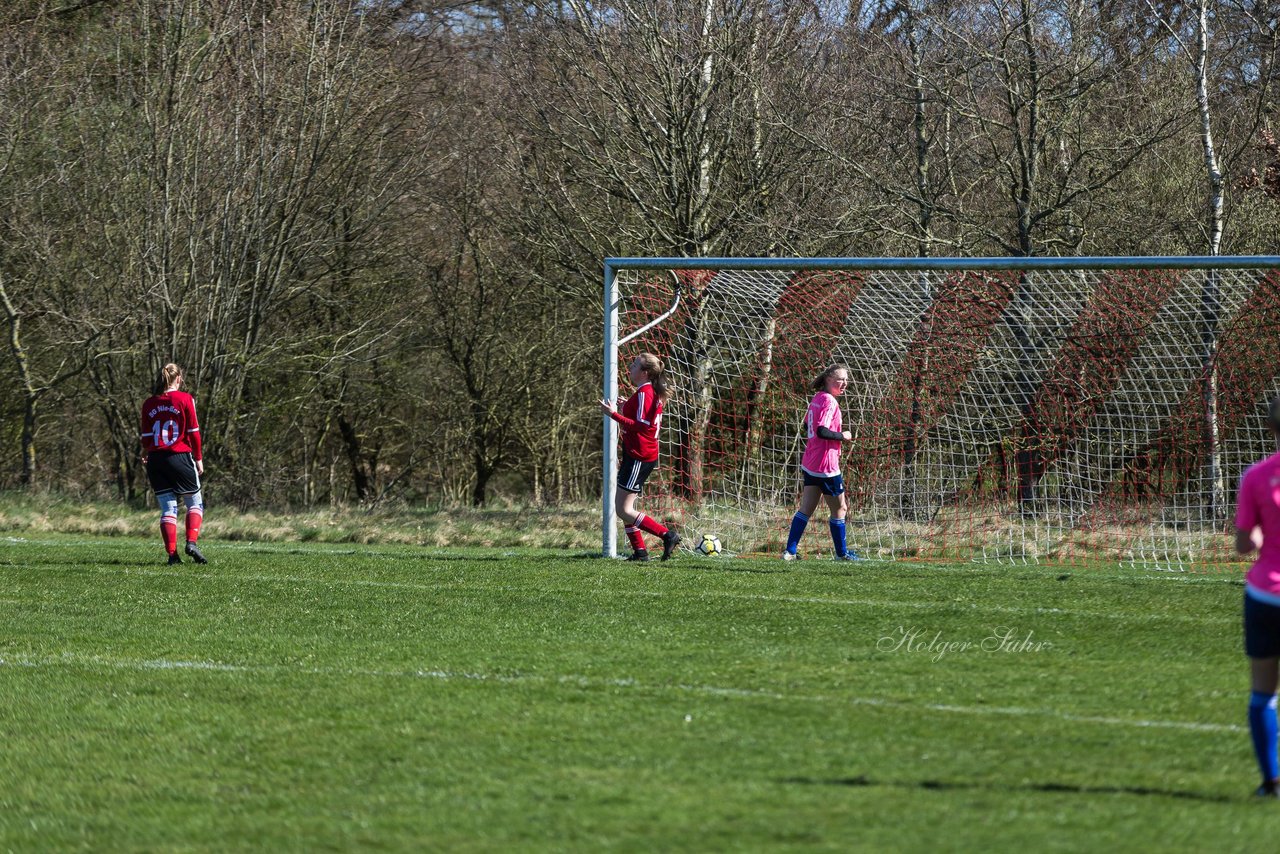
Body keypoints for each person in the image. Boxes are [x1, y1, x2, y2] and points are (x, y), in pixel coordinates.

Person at [1235, 395, 1280, 797]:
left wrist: (1261, 535)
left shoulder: (1256, 476)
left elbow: (1244, 544)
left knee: (1264, 692)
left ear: (1270, 427)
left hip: (1266, 596)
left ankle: (1272, 781)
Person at [599, 352, 680, 562]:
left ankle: (667, 535)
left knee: (624, 509)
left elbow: (643, 426)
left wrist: (613, 414)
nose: (630, 367)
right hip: (635, 454)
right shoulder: (645, 391)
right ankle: (640, 552)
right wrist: (627, 405)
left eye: (635, 365)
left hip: (640, 456)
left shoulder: (646, 392)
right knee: (623, 507)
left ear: (644, 372)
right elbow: (641, 417)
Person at [783, 364, 858, 561]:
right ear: (828, 380)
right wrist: (843, 435)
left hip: (811, 461)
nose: (845, 383)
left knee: (806, 508)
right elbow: (821, 431)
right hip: (826, 465)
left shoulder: (816, 398)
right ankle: (842, 554)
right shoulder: (829, 402)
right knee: (840, 509)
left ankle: (789, 551)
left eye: (846, 379)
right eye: (840, 379)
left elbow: (808, 425)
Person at [140, 363, 208, 566]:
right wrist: (198, 458)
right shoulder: (186, 399)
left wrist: (147, 452)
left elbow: (146, 436)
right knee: (194, 502)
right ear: (178, 379)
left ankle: (172, 556)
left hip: (156, 459)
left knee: (169, 508)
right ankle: (192, 543)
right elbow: (193, 433)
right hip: (180, 456)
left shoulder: (149, 403)